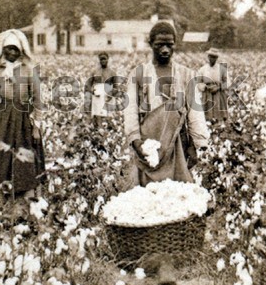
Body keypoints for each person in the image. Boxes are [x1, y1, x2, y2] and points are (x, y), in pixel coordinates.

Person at [123, 21, 210, 186]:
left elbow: (195, 112)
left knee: (177, 191)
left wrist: (199, 144)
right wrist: (136, 142)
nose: (165, 50)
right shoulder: (138, 74)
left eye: (169, 45)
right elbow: (130, 111)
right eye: (159, 45)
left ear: (175, 45)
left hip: (178, 143)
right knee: (148, 193)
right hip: (148, 144)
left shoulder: (186, 74)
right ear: (150, 44)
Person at [0, 29, 45, 201]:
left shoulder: (29, 70)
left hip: (23, 118)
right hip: (2, 118)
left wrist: (37, 125)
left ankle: (25, 192)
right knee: (0, 153)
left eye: (16, 49)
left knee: (25, 153)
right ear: (3, 50)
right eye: (9, 49)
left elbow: (38, 98)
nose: (12, 53)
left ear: (21, 51)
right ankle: (1, 193)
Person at [85, 52, 119, 125]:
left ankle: (109, 129)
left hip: (108, 95)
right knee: (98, 113)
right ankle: (98, 128)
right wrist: (92, 91)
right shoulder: (95, 71)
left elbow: (116, 86)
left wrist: (112, 94)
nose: (103, 61)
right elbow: (88, 84)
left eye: (104, 59)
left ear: (107, 60)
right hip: (98, 95)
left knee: (108, 114)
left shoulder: (112, 72)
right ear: (99, 60)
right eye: (101, 59)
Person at [197, 48, 229, 122]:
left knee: (219, 115)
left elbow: (227, 82)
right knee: (206, 116)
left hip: (219, 93)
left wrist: (218, 87)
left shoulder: (222, 69)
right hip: (207, 93)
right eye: (211, 56)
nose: (212, 59)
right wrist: (206, 87)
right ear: (208, 57)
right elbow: (198, 82)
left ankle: (219, 124)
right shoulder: (203, 69)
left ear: (217, 58)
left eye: (214, 57)